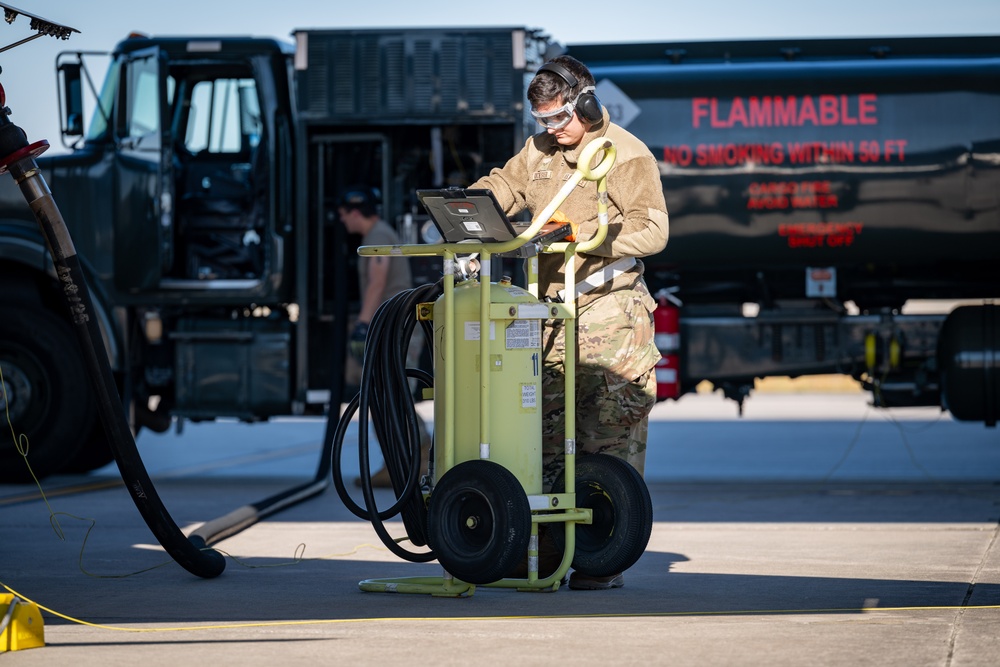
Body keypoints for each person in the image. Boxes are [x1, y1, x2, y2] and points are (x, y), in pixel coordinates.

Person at [468, 55, 669, 590]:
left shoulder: (625, 155)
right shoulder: (539, 149)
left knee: (606, 438)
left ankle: (603, 556)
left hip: (608, 311)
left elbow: (652, 231)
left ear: (585, 102)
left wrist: (583, 236)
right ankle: (549, 553)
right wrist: (466, 214)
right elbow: (501, 187)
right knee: (546, 437)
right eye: (544, 122)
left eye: (561, 119)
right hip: (550, 312)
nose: (554, 131)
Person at [338, 186, 432, 488]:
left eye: (343, 216)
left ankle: (416, 457)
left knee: (392, 393)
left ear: (354, 212)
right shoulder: (380, 232)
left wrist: (363, 323)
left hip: (396, 326)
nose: (343, 223)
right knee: (386, 393)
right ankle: (399, 460)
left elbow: (377, 282)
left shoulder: (377, 236)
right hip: (396, 324)